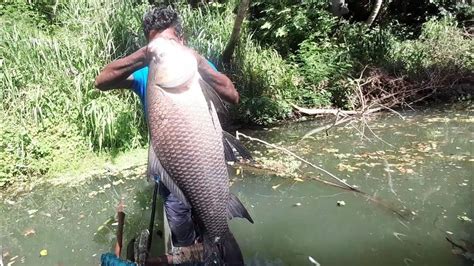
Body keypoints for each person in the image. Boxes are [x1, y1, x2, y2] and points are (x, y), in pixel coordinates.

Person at [95, 6, 240, 265]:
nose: (163, 47)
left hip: (206, 166)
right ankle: (195, 253)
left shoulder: (197, 69)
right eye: (155, 42)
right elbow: (102, 81)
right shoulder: (145, 73)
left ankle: (216, 242)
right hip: (172, 169)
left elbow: (232, 95)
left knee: (214, 222)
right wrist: (146, 54)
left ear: (182, 41)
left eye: (170, 40)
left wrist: (198, 60)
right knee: (183, 239)